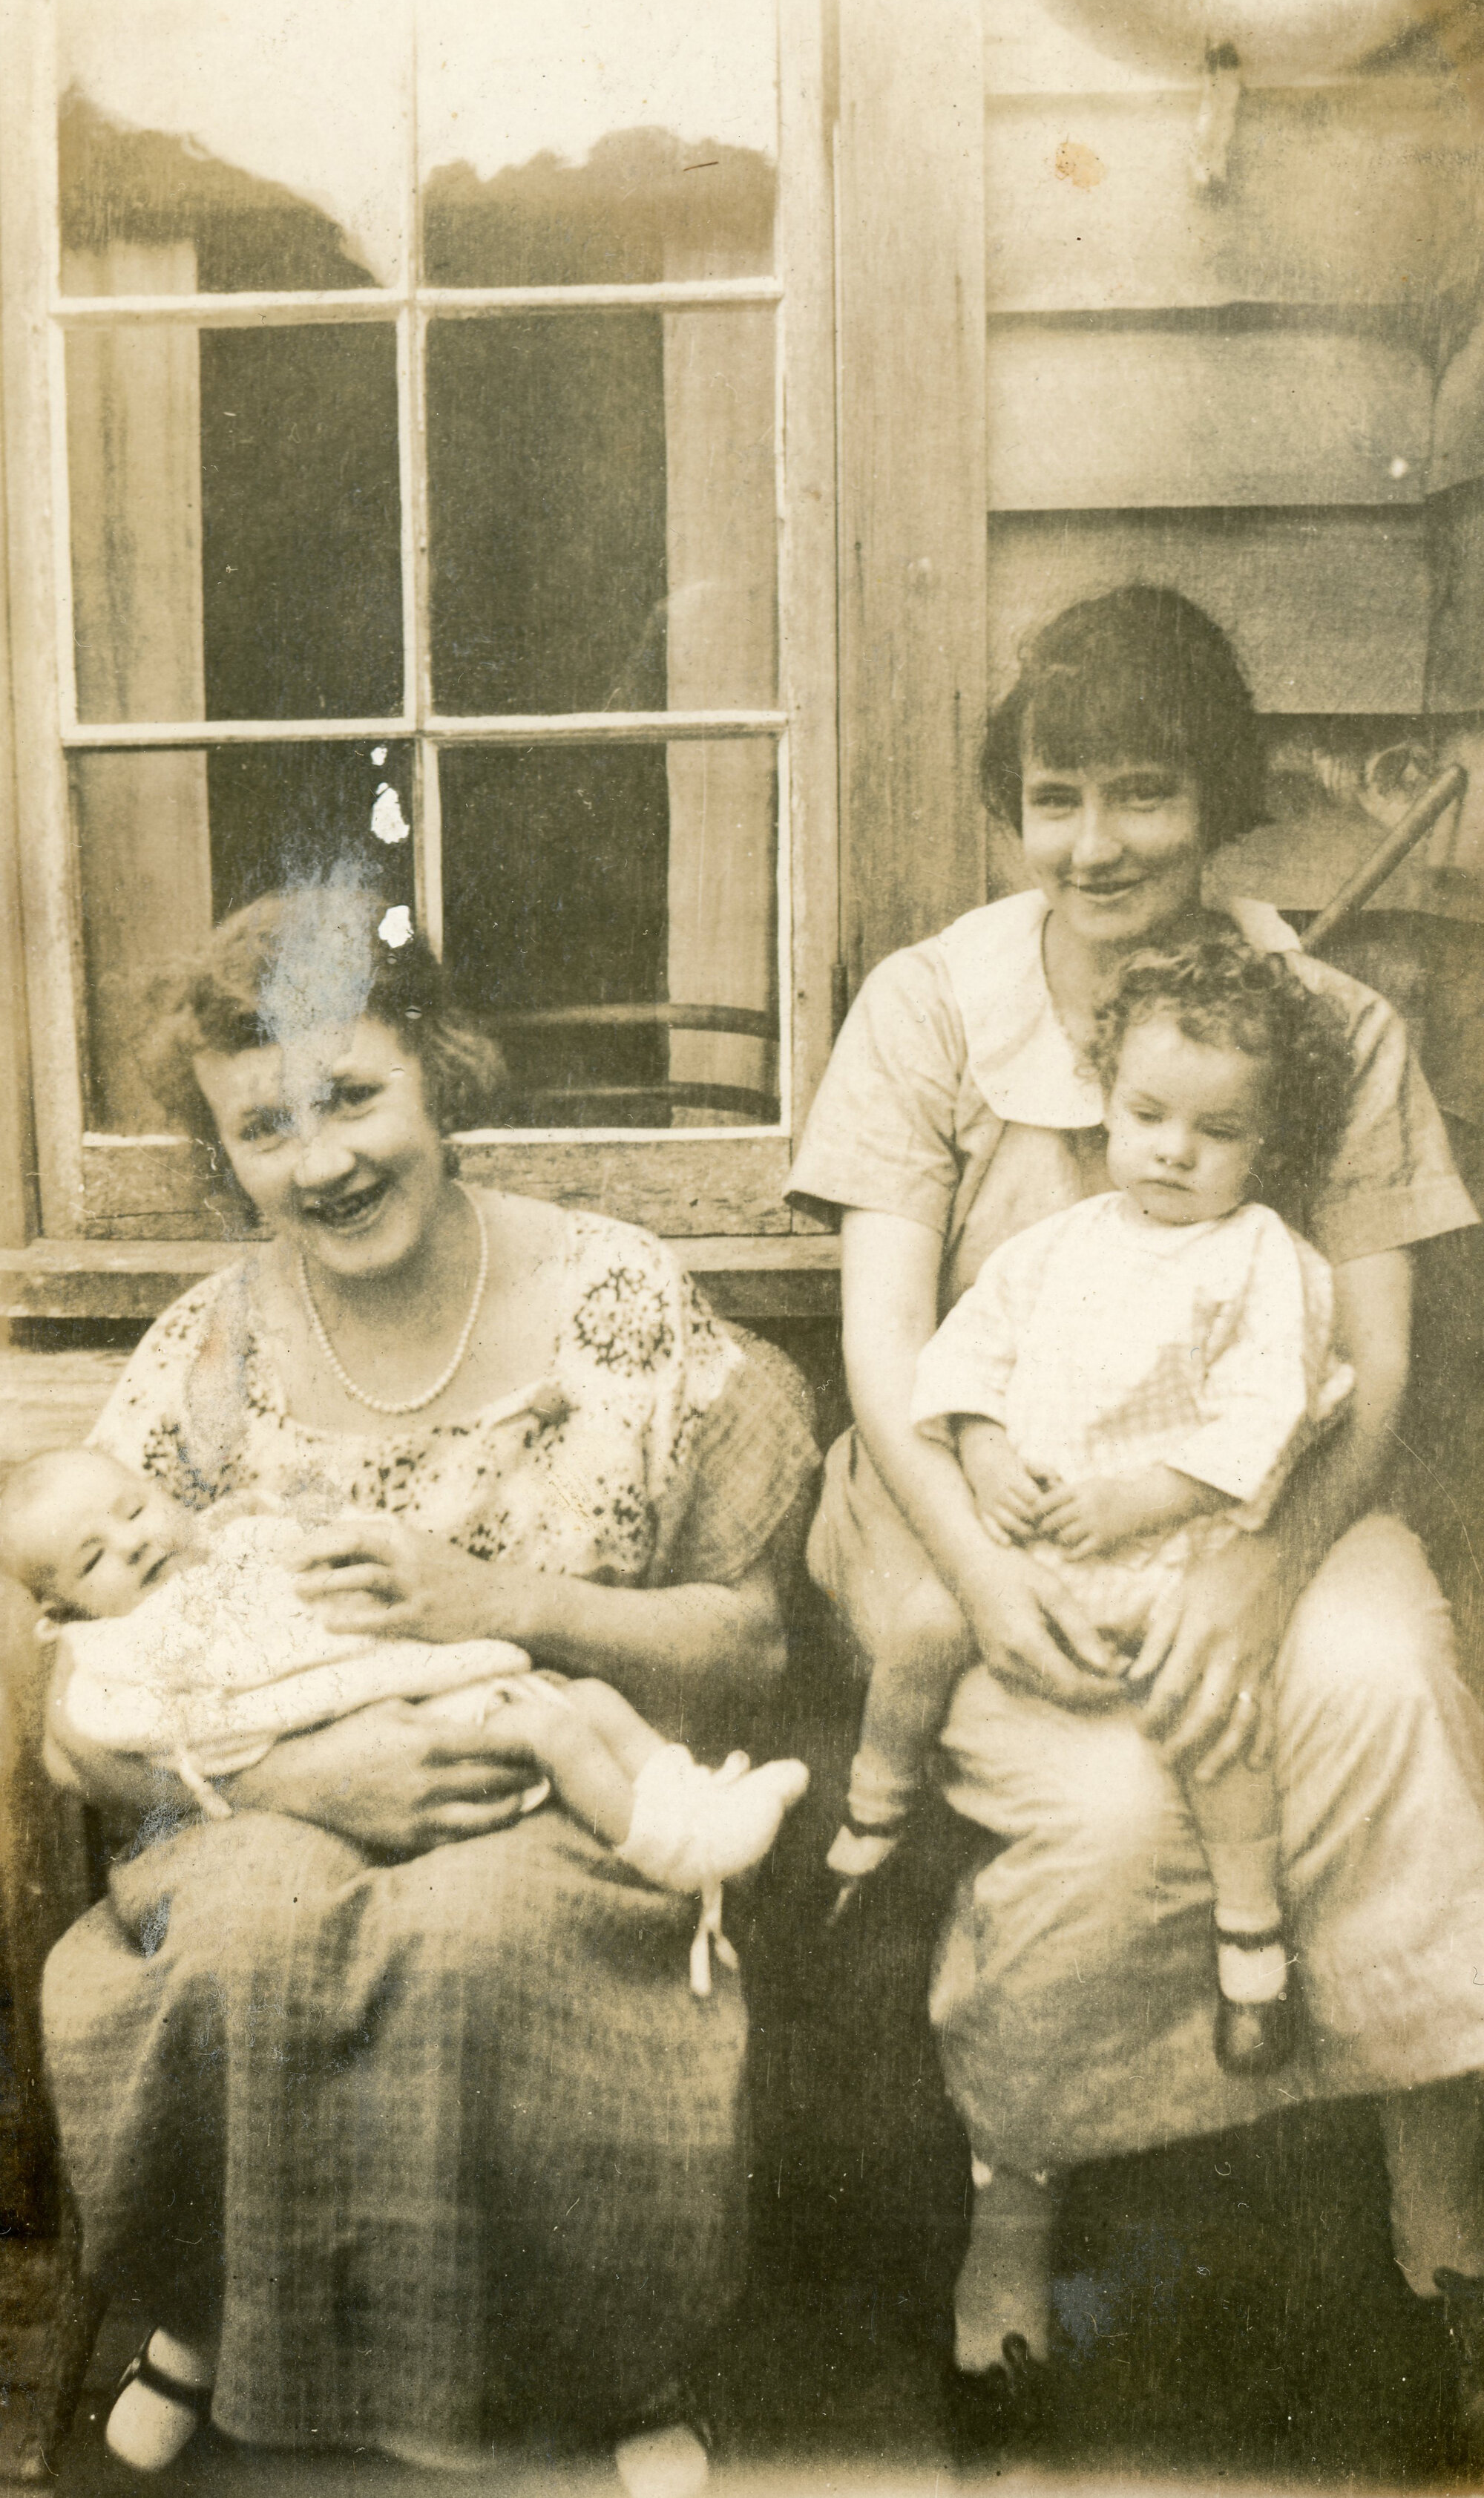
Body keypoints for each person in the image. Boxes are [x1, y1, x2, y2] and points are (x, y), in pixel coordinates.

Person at [789, 586, 1484, 2459]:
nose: (1098, 845)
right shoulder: (932, 1006)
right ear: (1009, 811)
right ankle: (1008, 2246)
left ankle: (1441, 2238)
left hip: (1265, 1484)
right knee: (1100, 1809)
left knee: (1384, 1688)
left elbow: (1375, 1363)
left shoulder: (1329, 1020)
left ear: (1220, 798)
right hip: (973, 1499)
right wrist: (984, 1569)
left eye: (1146, 795)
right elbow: (880, 1358)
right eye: (1054, 798)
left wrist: (1257, 1575)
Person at [38, 882, 820, 2475]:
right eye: (264, 1130)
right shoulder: (203, 1354)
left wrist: (495, 1600)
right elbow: (78, 1715)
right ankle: (226, 2333)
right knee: (250, 1925)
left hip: (560, 1789)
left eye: (351, 1096)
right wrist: (280, 1781)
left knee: (474, 1938)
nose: (319, 1161)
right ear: (225, 1156)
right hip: (268, 1799)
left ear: (439, 1077)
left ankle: (609, 2366)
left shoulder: (614, 1299)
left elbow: (746, 1646)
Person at [827, 934, 1355, 2078]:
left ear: (1269, 1146)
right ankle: (873, 1823)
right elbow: (969, 1355)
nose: (1175, 1152)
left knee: (1212, 1719)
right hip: (1040, 1529)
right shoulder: (1054, 1246)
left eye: (1220, 1134)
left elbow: (1272, 1405)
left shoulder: (1262, 1257)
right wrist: (983, 1447)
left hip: (1172, 1540)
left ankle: (1251, 1943)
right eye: (1150, 1114)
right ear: (1106, 1105)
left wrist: (1146, 1497)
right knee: (923, 1628)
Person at [3, 1446, 809, 1984]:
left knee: (590, 1701)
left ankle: (690, 1798)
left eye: (134, 1512)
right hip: (329, 1765)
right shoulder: (129, 1643)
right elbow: (84, 1736)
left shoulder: (231, 1540)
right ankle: (678, 1852)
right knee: (552, 1728)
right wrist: (283, 1778)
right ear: (62, 1605)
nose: (132, 1544)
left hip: (413, 1691)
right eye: (94, 1556)